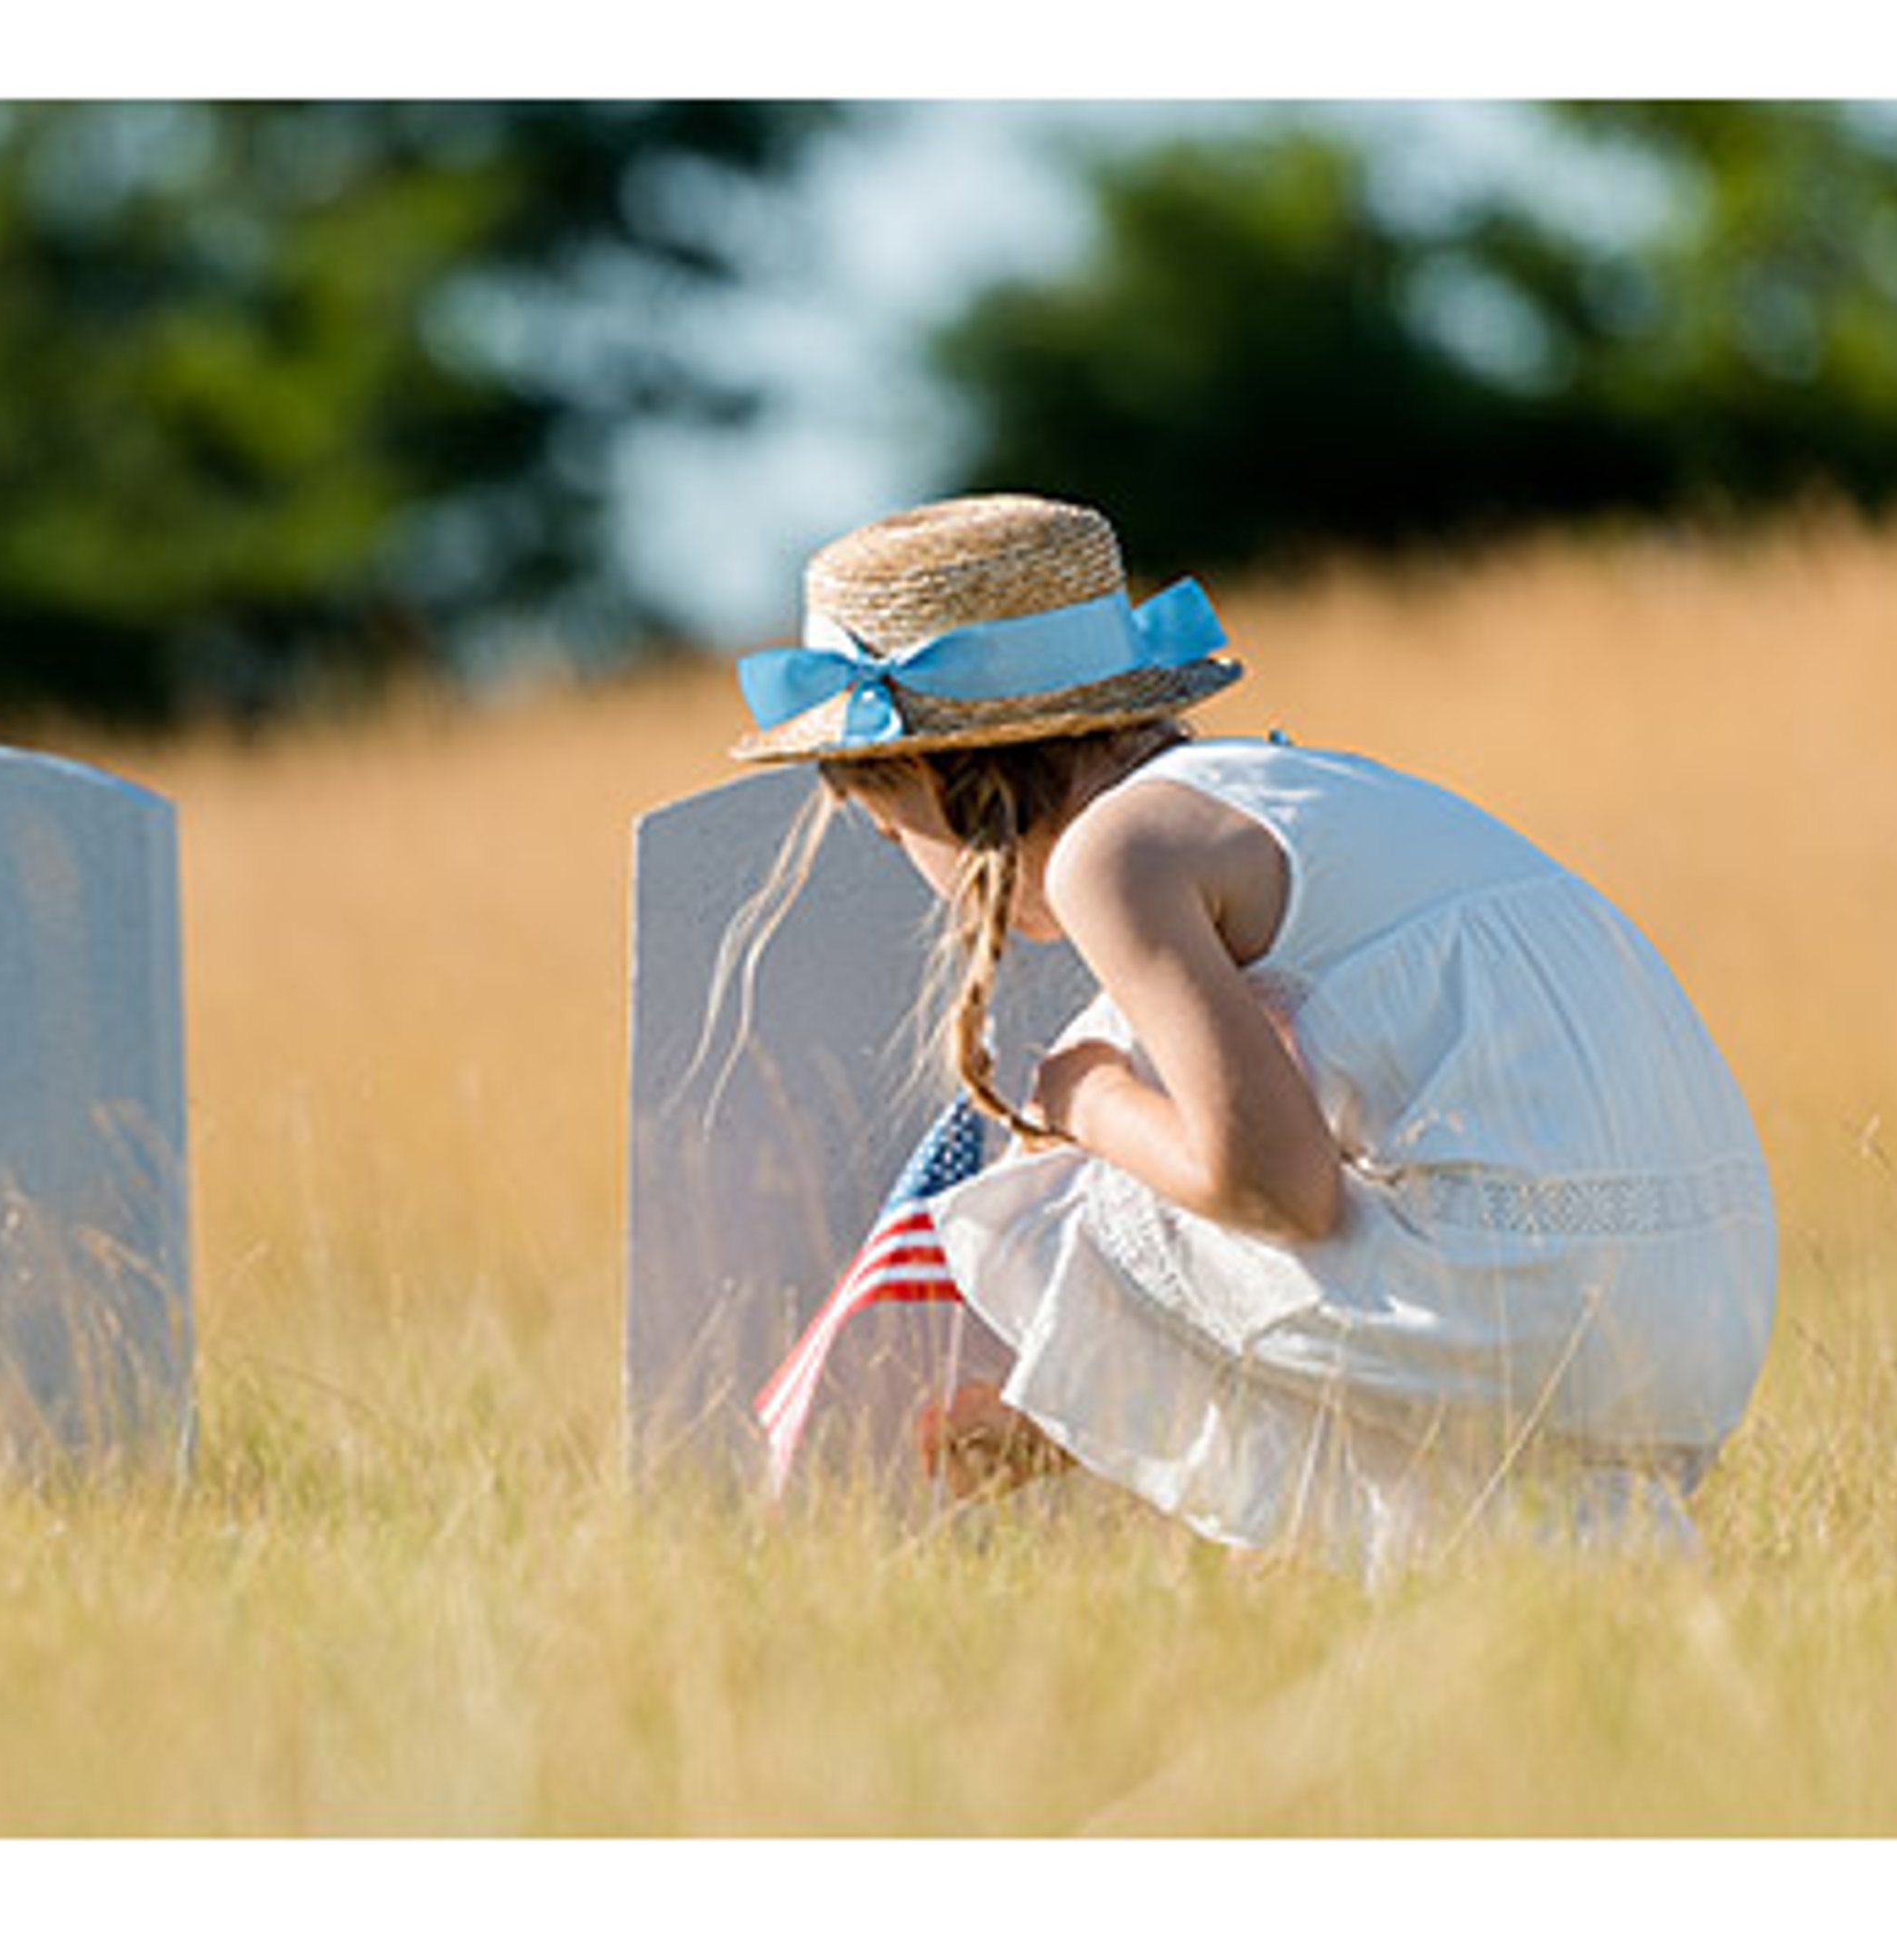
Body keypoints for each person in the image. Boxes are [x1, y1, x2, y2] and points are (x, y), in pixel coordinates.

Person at [728, 492, 1775, 1578]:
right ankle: (1085, 1433)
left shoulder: (1112, 858)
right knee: (1157, 1120)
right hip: (1697, 1303)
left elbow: (1277, 1188)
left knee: (1059, 1193)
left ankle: (1052, 1433)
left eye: (895, 829)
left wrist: (1076, 1095)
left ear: (944, 785)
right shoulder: (1284, 791)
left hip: (1524, 1302)